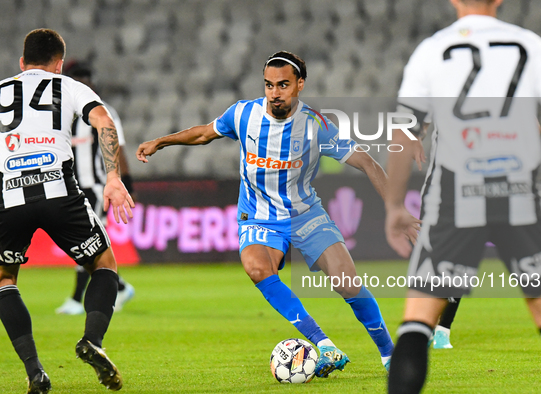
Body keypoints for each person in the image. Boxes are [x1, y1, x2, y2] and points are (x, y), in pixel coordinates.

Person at [137, 51, 419, 376]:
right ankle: (323, 344)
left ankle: (388, 354)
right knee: (257, 268)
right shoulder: (243, 114)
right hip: (258, 217)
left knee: (348, 283)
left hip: (305, 213)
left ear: (300, 85)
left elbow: (367, 162)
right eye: (269, 85)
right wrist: (162, 141)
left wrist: (396, 208)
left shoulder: (316, 125)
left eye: (283, 85)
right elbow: (203, 133)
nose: (274, 93)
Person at [385, 0, 541, 393]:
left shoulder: (432, 50)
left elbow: (404, 131)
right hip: (519, 193)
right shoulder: (529, 45)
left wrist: (395, 205)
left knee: (416, 321)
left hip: (455, 195)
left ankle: (435, 333)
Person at [0, 29, 134, 393]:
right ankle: (92, 340)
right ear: (59, 65)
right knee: (104, 265)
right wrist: (112, 178)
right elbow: (104, 122)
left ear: (21, 63)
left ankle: (34, 372)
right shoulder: (69, 86)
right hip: (61, 192)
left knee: (4, 281)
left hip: (8, 197)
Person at [55, 60, 135, 316]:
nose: (85, 84)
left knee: (87, 240)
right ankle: (120, 286)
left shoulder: (104, 111)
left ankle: (78, 299)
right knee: (85, 243)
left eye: (87, 79)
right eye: (79, 79)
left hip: (97, 188)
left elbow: (118, 148)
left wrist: (126, 183)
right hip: (70, 187)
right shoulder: (62, 113)